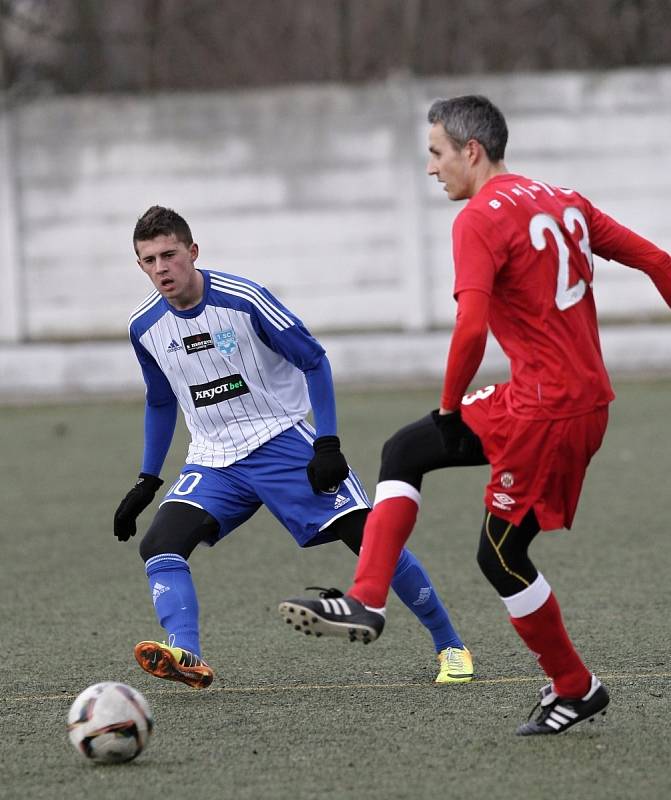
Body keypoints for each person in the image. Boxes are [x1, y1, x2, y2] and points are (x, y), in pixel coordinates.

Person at [279, 95, 671, 735]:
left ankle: (574, 686)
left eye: (436, 153)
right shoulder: (563, 198)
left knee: (501, 554)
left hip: (548, 409)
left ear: (472, 151)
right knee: (407, 451)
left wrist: (450, 405)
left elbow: (471, 326)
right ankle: (368, 599)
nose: (431, 169)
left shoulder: (480, 220)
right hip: (571, 399)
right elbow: (658, 261)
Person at [113, 205, 474, 690]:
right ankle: (186, 653)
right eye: (149, 260)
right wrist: (147, 479)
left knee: (369, 537)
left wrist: (327, 443)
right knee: (159, 546)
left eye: (170, 255)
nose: (161, 268)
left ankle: (450, 645)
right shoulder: (144, 326)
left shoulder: (244, 300)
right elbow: (160, 400)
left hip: (281, 439)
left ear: (193, 252)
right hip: (214, 458)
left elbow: (315, 361)